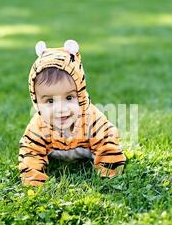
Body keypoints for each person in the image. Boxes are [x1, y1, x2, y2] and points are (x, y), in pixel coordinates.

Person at [19, 40, 126, 187]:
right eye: (50, 101)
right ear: (36, 101)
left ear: (80, 95)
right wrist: (34, 182)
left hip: (89, 148)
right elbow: (30, 153)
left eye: (69, 98)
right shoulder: (38, 126)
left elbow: (107, 143)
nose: (61, 109)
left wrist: (109, 176)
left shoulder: (93, 120)